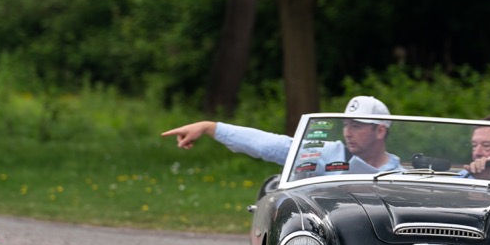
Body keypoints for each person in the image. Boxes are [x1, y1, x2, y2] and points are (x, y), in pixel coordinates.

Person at [162, 95, 401, 175]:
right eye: (346, 125)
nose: (348, 133)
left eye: (357, 126)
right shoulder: (330, 153)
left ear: (380, 130)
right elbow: (272, 146)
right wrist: (211, 127)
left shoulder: (400, 175)